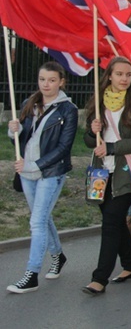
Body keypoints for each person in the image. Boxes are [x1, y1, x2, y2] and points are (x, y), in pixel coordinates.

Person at [6, 62, 78, 294]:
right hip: (26, 173)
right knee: (43, 218)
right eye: (42, 79)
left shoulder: (68, 110)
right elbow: (22, 139)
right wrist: (13, 131)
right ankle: (58, 256)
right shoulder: (30, 103)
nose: (45, 84)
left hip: (51, 172)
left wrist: (35, 164)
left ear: (61, 82)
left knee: (36, 221)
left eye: (51, 80)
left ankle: (32, 274)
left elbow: (64, 147)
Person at [82, 57, 131, 295]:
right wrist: (93, 133)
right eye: (120, 74)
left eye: (129, 74)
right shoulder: (97, 100)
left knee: (111, 221)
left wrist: (112, 148)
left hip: (126, 171)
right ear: (109, 75)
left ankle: (99, 278)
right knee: (116, 221)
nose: (124, 79)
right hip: (100, 171)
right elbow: (88, 141)